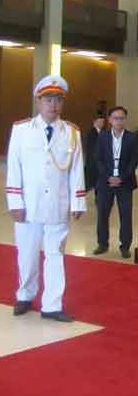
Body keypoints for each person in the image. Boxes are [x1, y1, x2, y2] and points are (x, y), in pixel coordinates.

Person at [5, 75, 86, 323]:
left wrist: (78, 201)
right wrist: (15, 203)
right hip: (29, 205)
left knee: (55, 255)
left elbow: (77, 169)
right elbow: (14, 168)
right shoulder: (21, 130)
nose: (54, 105)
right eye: (48, 99)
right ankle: (25, 295)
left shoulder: (72, 133)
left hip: (57, 206)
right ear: (38, 101)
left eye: (58, 100)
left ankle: (52, 304)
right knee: (27, 255)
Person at [93, 106, 138, 259]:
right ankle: (102, 243)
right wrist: (108, 177)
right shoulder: (103, 137)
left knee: (125, 215)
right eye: (115, 118)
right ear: (110, 120)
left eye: (121, 118)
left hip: (125, 183)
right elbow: (98, 159)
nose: (119, 121)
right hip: (105, 182)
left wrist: (121, 178)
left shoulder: (132, 138)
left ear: (125, 120)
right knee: (102, 214)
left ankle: (125, 246)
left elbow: (134, 161)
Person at [84, 113, 105, 196]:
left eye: (103, 122)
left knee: (100, 181)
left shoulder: (104, 132)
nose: (101, 123)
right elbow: (91, 148)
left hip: (101, 161)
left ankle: (99, 197)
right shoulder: (91, 133)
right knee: (93, 180)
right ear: (95, 122)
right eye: (100, 121)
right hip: (93, 161)